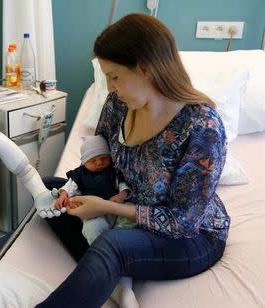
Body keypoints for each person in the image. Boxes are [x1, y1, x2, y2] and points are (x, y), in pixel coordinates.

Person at [37, 13, 230, 308]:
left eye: (115, 76)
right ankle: (111, 278)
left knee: (113, 245)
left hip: (191, 237)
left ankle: (107, 264)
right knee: (47, 190)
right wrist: (73, 191)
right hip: (123, 210)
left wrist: (106, 207)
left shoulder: (202, 126)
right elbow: (100, 161)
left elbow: (184, 222)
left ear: (146, 68)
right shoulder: (117, 105)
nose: (111, 87)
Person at [54, 134, 137, 307]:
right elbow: (69, 187)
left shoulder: (114, 171)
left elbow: (124, 187)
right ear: (84, 162)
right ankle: (110, 267)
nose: (99, 163)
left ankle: (123, 278)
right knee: (93, 227)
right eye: (93, 160)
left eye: (103, 158)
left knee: (128, 229)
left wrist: (122, 195)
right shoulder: (79, 174)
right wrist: (63, 194)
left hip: (117, 210)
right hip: (95, 213)